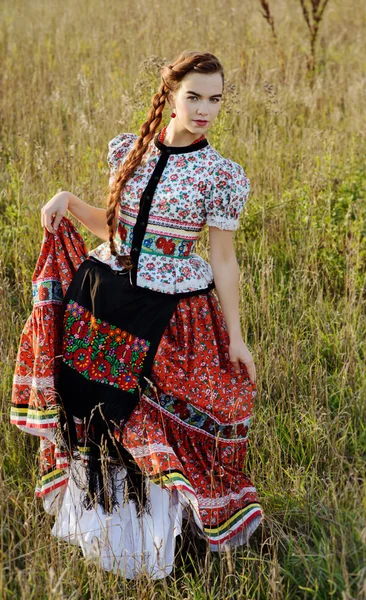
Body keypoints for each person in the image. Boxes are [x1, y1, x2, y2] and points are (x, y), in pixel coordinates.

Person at [35, 50, 263, 579]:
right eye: (195, 97)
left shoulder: (219, 174)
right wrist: (67, 199)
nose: (205, 109)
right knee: (99, 416)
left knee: (152, 419)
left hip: (171, 313)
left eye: (215, 99)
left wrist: (237, 336)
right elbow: (112, 233)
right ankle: (109, 532)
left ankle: (158, 542)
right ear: (171, 95)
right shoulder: (129, 152)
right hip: (107, 298)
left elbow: (224, 261)